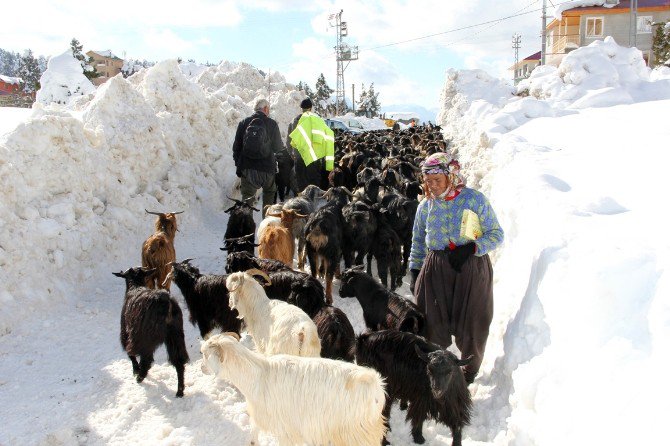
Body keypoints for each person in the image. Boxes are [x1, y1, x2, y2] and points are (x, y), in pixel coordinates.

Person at [408, 152, 504, 385]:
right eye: (428, 181)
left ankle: (467, 375)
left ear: (451, 176)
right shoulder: (425, 206)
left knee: (473, 322)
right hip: (436, 270)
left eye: (437, 180)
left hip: (470, 269)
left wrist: (472, 248)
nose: (432, 186)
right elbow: (418, 240)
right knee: (431, 323)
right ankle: (436, 370)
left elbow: (497, 234)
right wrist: (415, 268)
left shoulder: (474, 200)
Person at [232, 98, 284, 211]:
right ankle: (266, 225)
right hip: (267, 170)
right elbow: (278, 148)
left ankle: (246, 226)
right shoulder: (272, 124)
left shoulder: (244, 123)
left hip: (248, 168)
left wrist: (240, 165)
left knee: (247, 201)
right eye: (268, 109)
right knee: (269, 193)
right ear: (265, 108)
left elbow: (236, 148)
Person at [288, 97, 334, 191]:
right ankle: (313, 202)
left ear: (301, 108)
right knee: (314, 183)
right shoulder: (318, 120)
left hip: (299, 158)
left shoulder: (294, 121)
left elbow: (289, 141)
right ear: (311, 108)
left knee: (301, 183)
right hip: (314, 158)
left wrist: (292, 154)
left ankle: (302, 203)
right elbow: (326, 138)